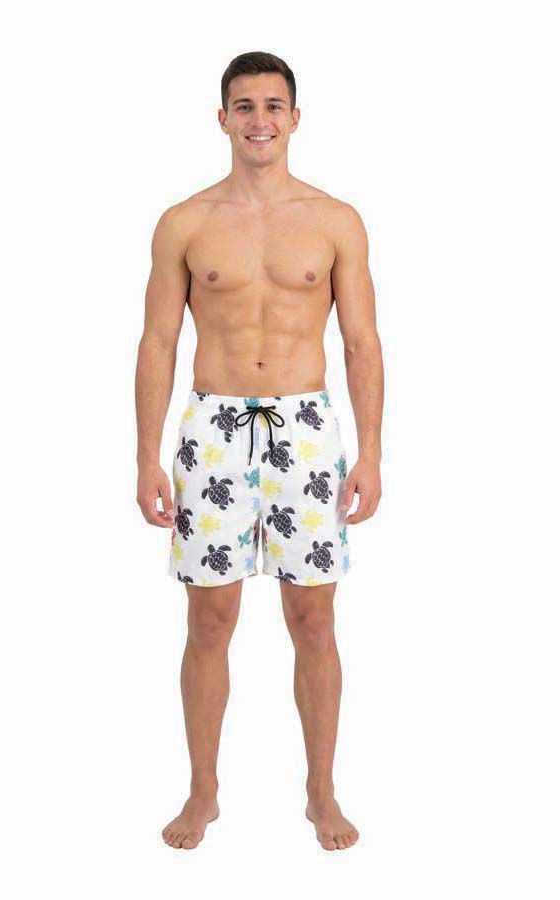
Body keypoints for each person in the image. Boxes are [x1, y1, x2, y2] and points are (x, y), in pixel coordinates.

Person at [134, 51, 384, 851]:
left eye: (273, 105)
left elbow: (362, 343)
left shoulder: (336, 219)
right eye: (244, 106)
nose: (259, 120)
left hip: (306, 430)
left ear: (295, 118)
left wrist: (371, 453)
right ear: (223, 119)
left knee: (314, 617)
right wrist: (146, 458)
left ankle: (321, 792)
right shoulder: (185, 221)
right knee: (209, 618)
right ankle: (203, 792)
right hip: (212, 432)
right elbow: (158, 342)